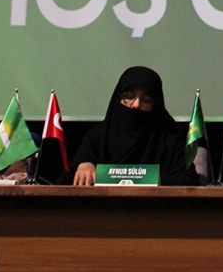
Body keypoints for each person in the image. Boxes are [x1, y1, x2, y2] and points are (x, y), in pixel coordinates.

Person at [69, 66, 197, 186]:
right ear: (117, 97)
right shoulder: (97, 137)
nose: (136, 105)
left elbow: (188, 180)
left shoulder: (172, 139)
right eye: (129, 97)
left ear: (155, 104)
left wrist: (146, 179)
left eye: (146, 99)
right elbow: (66, 181)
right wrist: (84, 165)